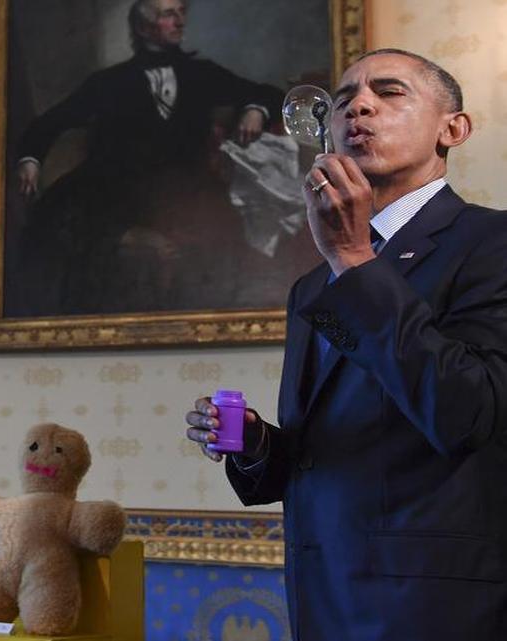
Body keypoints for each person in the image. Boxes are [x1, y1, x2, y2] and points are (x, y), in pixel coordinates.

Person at [184, 49, 507, 640]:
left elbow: (468, 414)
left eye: (389, 92)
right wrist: (256, 444)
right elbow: (322, 454)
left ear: (452, 129)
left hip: (435, 604)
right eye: (343, 99)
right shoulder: (315, 282)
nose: (358, 105)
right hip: (322, 595)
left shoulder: (492, 243)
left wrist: (354, 258)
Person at [9, 0, 283, 315]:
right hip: (116, 185)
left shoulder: (201, 74)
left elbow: (267, 93)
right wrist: (30, 159)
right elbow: (51, 122)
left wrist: (255, 109)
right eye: (169, 15)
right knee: (58, 230)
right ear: (143, 28)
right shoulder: (109, 83)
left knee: (222, 232)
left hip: (184, 186)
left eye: (182, 13)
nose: (180, 22)